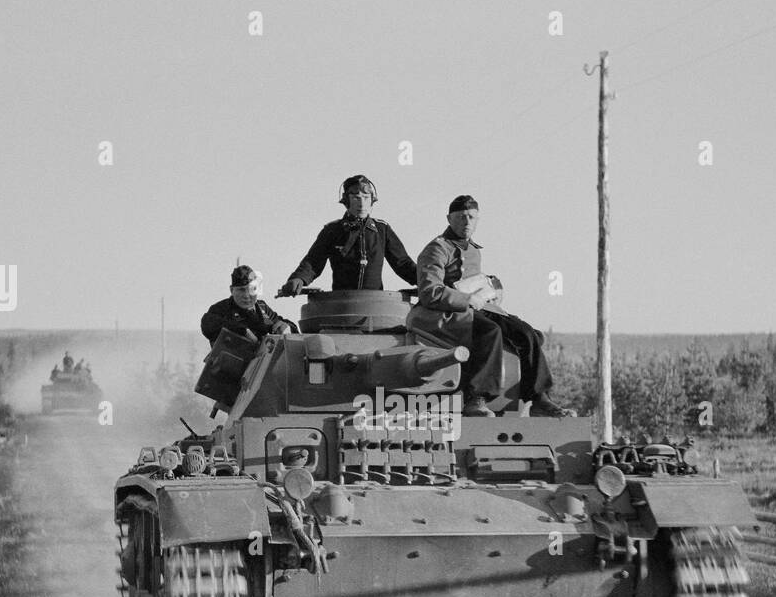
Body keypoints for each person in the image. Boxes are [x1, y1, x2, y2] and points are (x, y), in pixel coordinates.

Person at [410, 195, 573, 418]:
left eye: (471, 217)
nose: (466, 222)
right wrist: (467, 300)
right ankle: (477, 398)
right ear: (449, 219)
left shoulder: (473, 250)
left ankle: (539, 398)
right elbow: (429, 292)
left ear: (477, 219)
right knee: (490, 332)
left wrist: (490, 293)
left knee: (527, 333)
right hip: (444, 313)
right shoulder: (437, 249)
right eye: (460, 217)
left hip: (478, 307)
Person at [281, 175, 417, 293]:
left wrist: (424, 280)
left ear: (372, 200)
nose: (362, 203)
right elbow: (313, 261)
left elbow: (402, 263)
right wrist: (298, 278)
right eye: (356, 198)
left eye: (366, 197)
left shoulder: (382, 230)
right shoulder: (332, 230)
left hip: (375, 304)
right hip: (341, 304)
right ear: (347, 200)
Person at [201, 265, 296, 344]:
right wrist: (242, 331)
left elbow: (281, 323)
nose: (246, 296)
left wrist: (287, 328)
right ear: (231, 290)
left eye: (251, 289)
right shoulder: (222, 309)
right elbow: (208, 325)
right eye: (241, 290)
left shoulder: (262, 309)